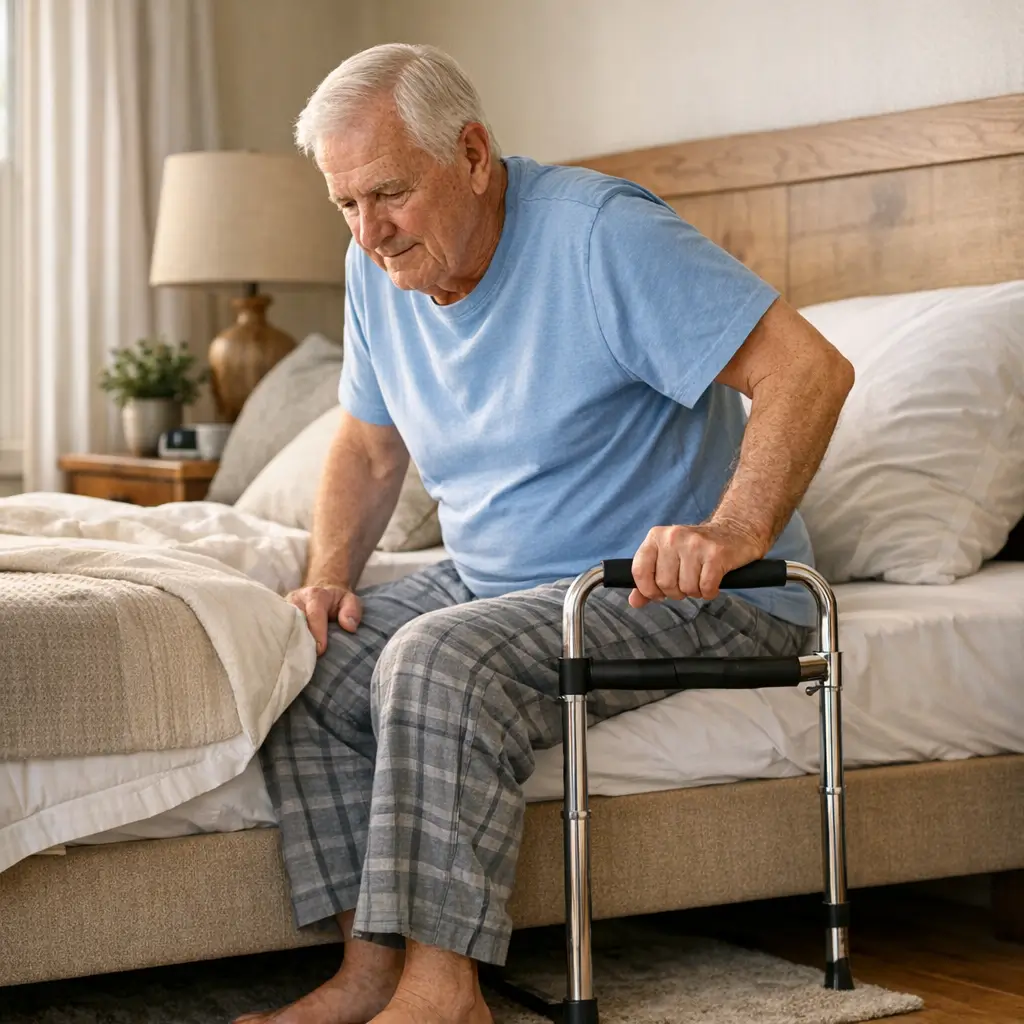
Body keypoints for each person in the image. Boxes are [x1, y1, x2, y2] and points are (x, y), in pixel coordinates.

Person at [236, 42, 853, 1024]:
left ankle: (445, 997)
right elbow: (365, 445)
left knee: (438, 658)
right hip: (499, 582)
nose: (370, 233)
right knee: (306, 655)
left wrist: (734, 526)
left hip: (674, 589)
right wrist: (324, 578)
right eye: (345, 205)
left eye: (388, 194)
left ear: (472, 154)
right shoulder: (379, 268)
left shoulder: (601, 235)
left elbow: (808, 370)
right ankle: (369, 972)